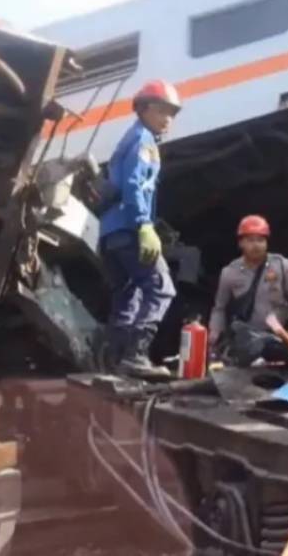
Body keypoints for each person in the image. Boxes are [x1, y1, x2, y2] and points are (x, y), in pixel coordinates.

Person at [98, 80, 181, 376]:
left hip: (111, 234)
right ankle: (136, 355)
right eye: (162, 111)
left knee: (128, 295)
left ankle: (115, 360)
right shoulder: (144, 141)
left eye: (172, 113)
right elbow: (133, 185)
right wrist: (144, 225)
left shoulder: (131, 137)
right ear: (144, 109)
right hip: (129, 227)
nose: (168, 119)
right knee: (161, 288)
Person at [208, 215, 288, 351]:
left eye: (260, 240)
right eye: (250, 240)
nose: (256, 245)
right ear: (241, 243)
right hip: (247, 341)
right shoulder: (229, 273)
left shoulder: (282, 266)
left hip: (279, 338)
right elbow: (220, 308)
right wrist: (214, 335)